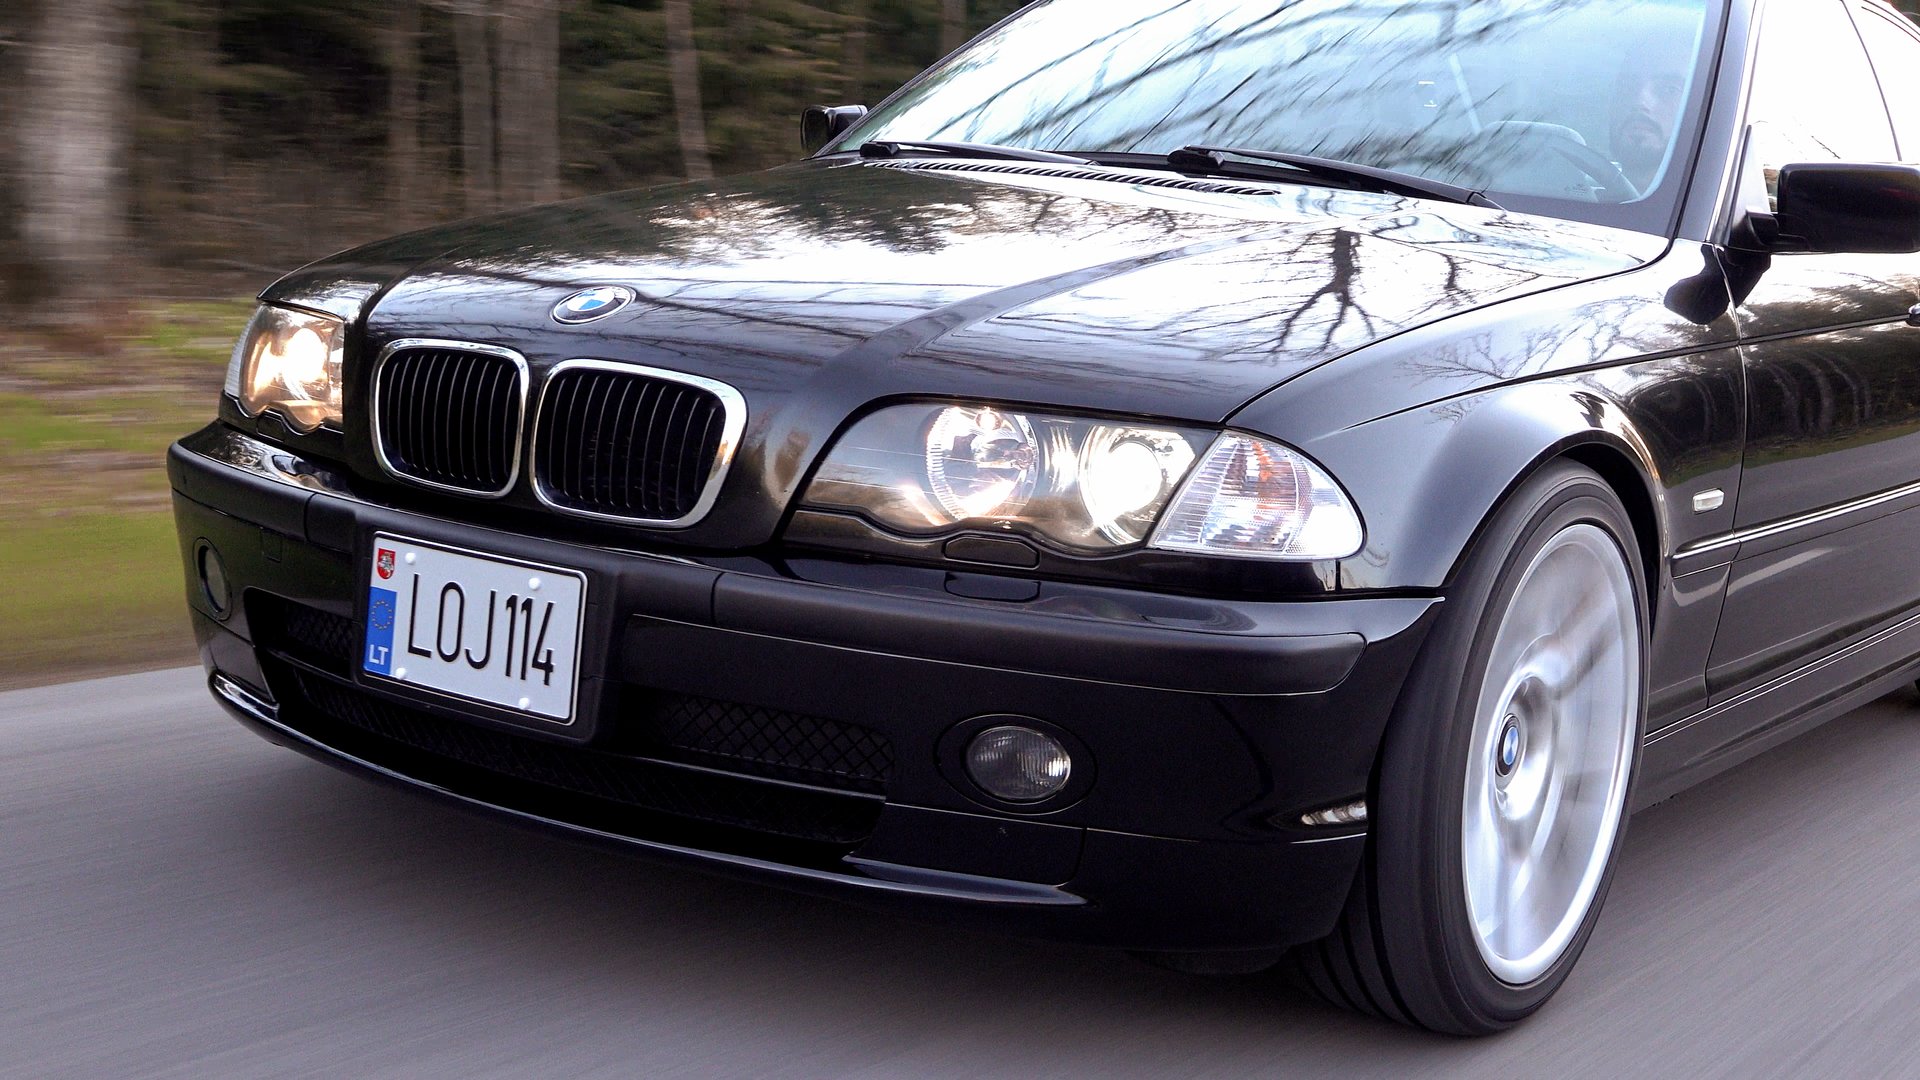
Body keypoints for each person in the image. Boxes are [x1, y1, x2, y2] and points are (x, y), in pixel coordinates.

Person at [1608, 44, 1691, 192]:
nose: (1640, 101)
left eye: (1669, 89)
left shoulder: (1704, 209)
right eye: (1628, 85)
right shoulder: (1573, 200)